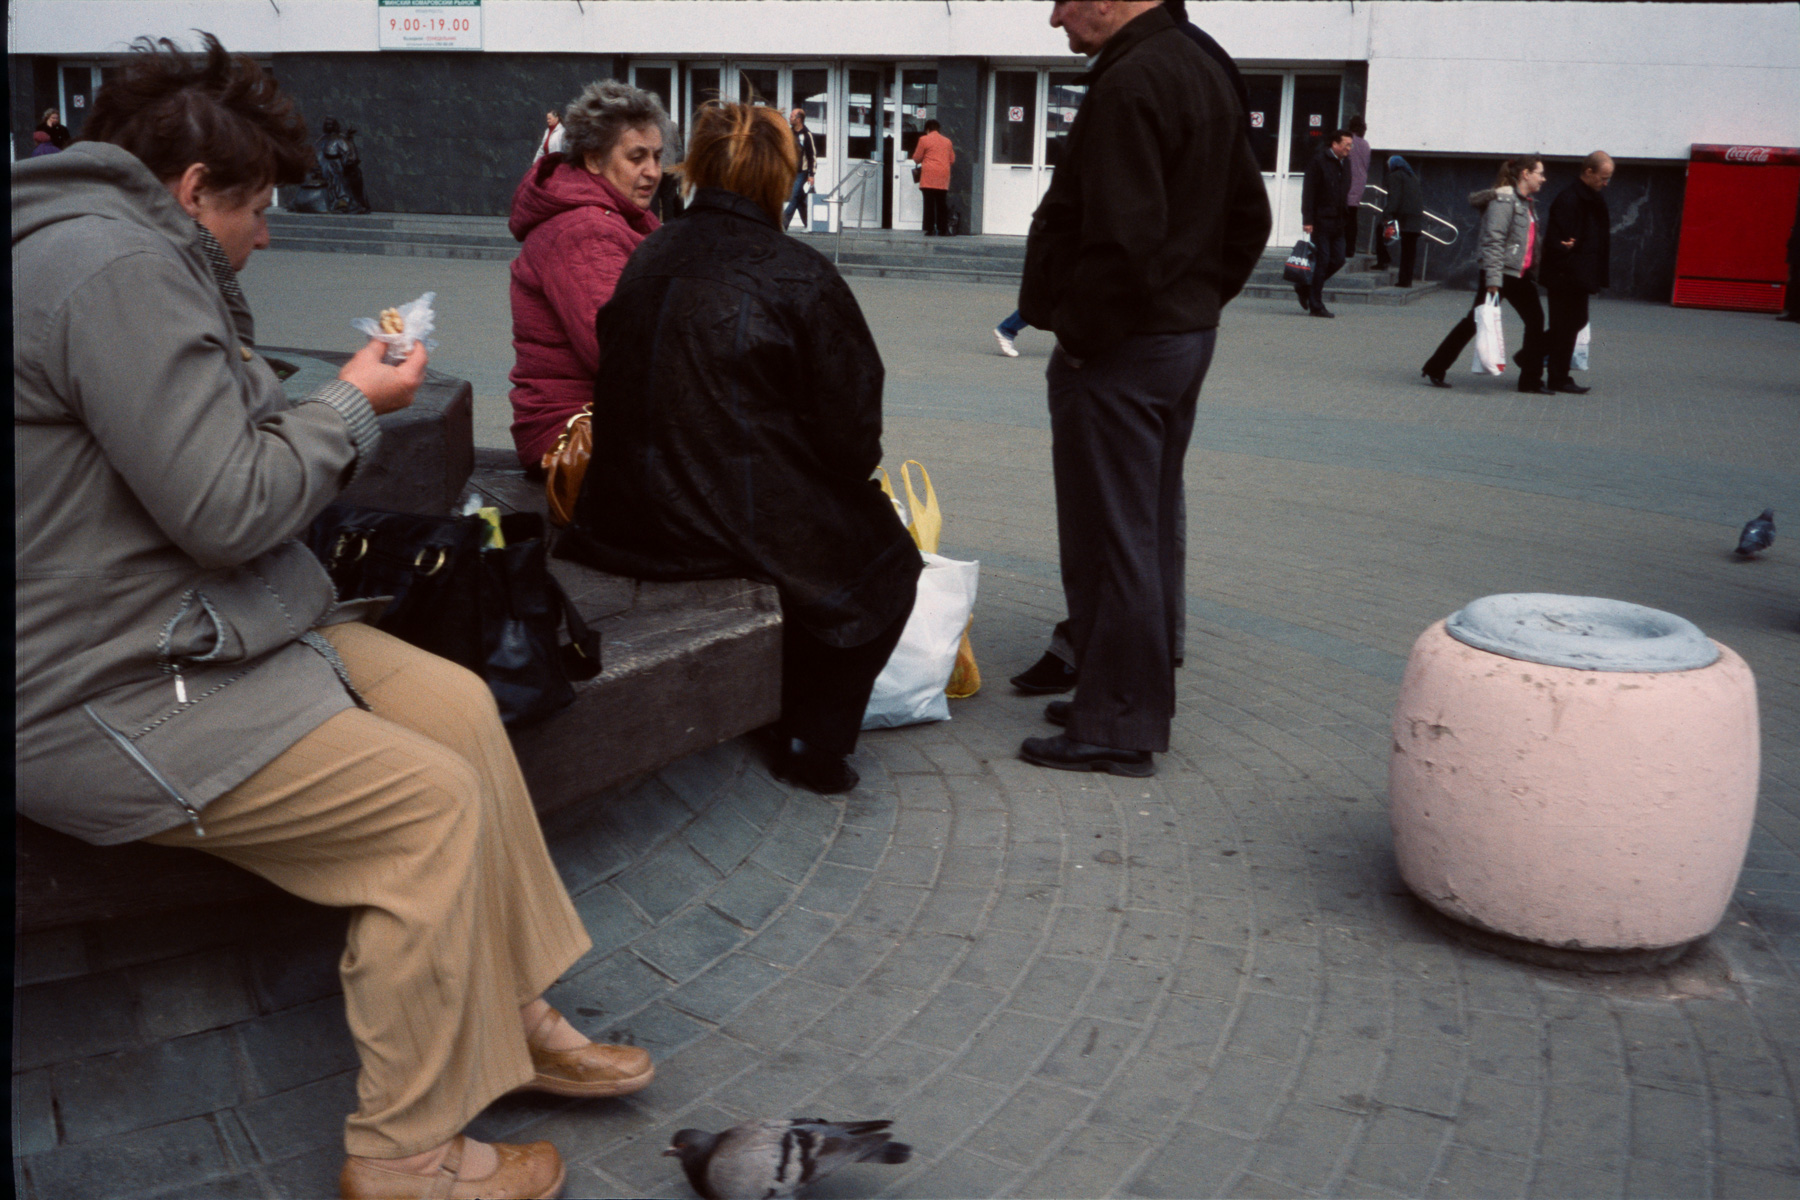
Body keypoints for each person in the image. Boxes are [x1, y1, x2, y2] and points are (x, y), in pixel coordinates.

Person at [13, 33, 651, 1200]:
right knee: (427, 809)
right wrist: (355, 402)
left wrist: (295, 398)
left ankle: (506, 1014)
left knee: (456, 706)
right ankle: (406, 1153)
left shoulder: (109, 250)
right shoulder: (114, 269)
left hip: (191, 631)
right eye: (259, 208)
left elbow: (188, 452)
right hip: (104, 689)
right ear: (193, 189)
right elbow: (225, 504)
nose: (270, 235)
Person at [559, 102, 920, 796]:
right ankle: (813, 742)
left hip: (619, 514)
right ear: (781, 178)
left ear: (696, 169)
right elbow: (852, 437)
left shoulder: (651, 251)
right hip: (716, 521)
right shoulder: (800, 273)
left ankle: (777, 702)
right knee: (888, 560)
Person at [1014, 0, 1269, 777]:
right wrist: (1195, 302)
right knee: (1143, 529)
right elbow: (1250, 217)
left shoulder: (1135, 79)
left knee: (1112, 536)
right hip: (1176, 337)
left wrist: (1084, 335)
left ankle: (1118, 723)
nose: (1054, 18)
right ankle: (1116, 696)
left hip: (1124, 348)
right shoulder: (1202, 61)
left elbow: (1122, 241)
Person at [507, 80, 664, 470]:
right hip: (573, 435)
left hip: (600, 422)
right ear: (593, 160)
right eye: (637, 157)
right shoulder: (585, 231)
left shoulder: (616, 218)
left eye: (657, 157)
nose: (653, 171)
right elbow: (618, 353)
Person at [1420, 156, 1553, 393]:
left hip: (1518, 274)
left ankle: (1530, 380)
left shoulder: (1525, 203)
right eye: (1539, 173)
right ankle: (1436, 367)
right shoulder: (1504, 200)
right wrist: (1493, 279)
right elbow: (1493, 240)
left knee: (1531, 321)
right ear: (1525, 174)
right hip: (1501, 273)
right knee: (1476, 322)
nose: (1543, 178)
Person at [1541, 150, 1613, 393]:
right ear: (1588, 172)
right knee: (1565, 324)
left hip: (1579, 272)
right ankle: (1556, 376)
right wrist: (1569, 251)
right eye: (1603, 177)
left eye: (1608, 178)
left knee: (1574, 322)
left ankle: (1535, 359)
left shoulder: (1591, 198)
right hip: (1565, 274)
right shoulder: (1570, 199)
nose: (1606, 183)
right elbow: (1558, 240)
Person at [1298, 128, 1353, 317]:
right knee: (1322, 262)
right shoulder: (1318, 161)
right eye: (1346, 145)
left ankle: (1305, 287)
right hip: (1321, 220)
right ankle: (1316, 305)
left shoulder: (1346, 163)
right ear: (1334, 144)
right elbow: (1308, 192)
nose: (1349, 148)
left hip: (1339, 221)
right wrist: (1307, 219)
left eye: (1350, 145)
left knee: (1338, 260)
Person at [1380, 155, 1426, 287]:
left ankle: (1382, 262)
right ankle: (1406, 280)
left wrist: (1387, 214)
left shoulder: (1395, 176)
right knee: (1410, 252)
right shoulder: (1413, 177)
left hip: (1404, 218)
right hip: (1415, 219)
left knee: (1381, 233)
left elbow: (1394, 198)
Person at [910, 118, 954, 236]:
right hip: (943, 175)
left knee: (929, 203)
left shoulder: (924, 139)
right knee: (941, 202)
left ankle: (930, 229)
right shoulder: (947, 141)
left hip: (929, 175)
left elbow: (916, 158)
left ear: (927, 129)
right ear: (938, 129)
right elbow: (952, 159)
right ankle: (943, 229)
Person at [781, 106, 818, 230]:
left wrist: (811, 175)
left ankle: (782, 224)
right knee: (799, 199)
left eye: (792, 116)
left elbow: (812, 156)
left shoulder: (807, 135)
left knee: (794, 196)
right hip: (789, 172)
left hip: (801, 172)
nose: (789, 118)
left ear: (798, 119)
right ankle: (809, 224)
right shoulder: (788, 133)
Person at [1345, 116, 1372, 257]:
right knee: (1352, 217)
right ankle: (1350, 248)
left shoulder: (1348, 141)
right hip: (1359, 183)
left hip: (1347, 182)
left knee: (1342, 218)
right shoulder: (1365, 144)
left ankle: (1341, 247)